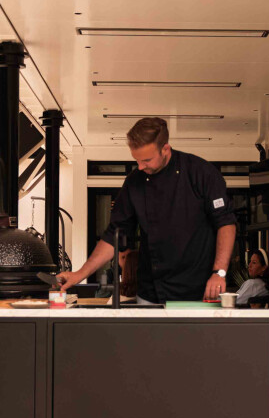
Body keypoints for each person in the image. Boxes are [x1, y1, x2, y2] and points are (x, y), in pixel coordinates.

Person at [58, 117, 237, 303]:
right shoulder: (134, 182)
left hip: (199, 290)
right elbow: (114, 235)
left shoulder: (201, 173)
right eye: (137, 160)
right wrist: (80, 274)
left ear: (165, 149)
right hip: (151, 292)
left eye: (147, 160)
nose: (141, 166)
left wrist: (219, 273)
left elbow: (226, 223)